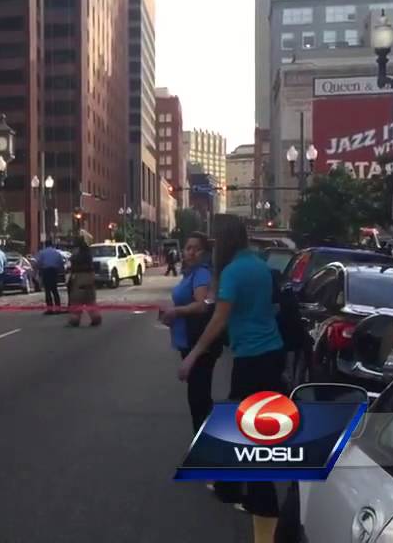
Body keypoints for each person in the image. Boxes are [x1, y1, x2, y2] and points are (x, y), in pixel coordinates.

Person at [178, 216, 285, 543]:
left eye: (214, 241)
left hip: (252, 357)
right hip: (271, 351)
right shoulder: (259, 265)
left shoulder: (234, 272)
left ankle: (262, 505)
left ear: (224, 241)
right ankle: (241, 491)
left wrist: (194, 354)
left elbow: (218, 320)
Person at [159, 232, 221, 434]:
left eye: (197, 248)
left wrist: (176, 311)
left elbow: (202, 305)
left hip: (198, 341)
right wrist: (171, 314)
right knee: (199, 398)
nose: (191, 252)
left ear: (205, 253)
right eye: (188, 248)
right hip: (189, 340)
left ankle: (206, 446)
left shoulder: (201, 273)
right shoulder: (191, 273)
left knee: (199, 400)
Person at [67, 238, 102, 327]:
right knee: (91, 301)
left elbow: (72, 264)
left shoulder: (76, 257)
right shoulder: (89, 255)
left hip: (79, 280)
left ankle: (75, 319)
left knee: (76, 302)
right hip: (90, 280)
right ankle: (95, 317)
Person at [35, 240, 65, 314]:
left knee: (47, 291)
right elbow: (61, 263)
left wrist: (39, 271)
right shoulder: (57, 253)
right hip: (54, 271)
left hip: (46, 271)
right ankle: (58, 308)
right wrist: (60, 271)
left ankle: (50, 309)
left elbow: (38, 263)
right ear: (52, 245)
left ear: (45, 245)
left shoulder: (42, 252)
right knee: (55, 290)